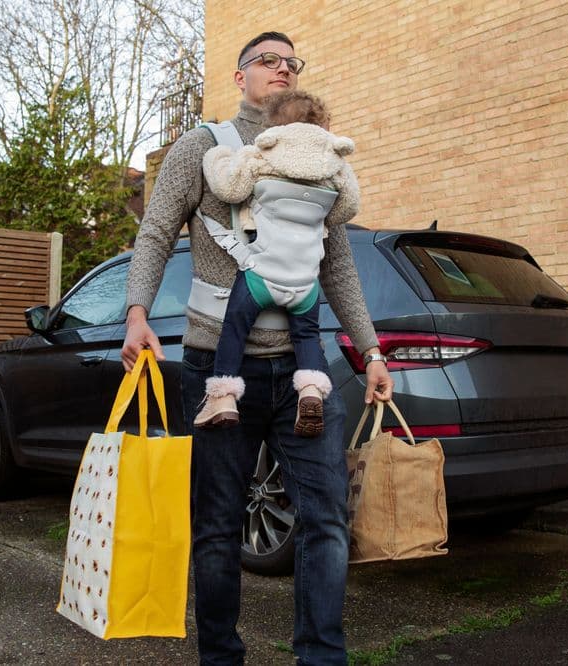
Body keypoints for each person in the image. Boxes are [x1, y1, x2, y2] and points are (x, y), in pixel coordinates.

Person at [121, 31, 393, 666]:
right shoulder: (203, 148)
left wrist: (372, 351)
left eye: (292, 62)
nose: (283, 68)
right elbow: (158, 230)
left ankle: (321, 657)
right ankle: (220, 658)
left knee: (325, 521)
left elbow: (340, 268)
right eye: (269, 60)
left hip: (302, 373)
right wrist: (137, 311)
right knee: (217, 527)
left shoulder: (321, 157)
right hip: (217, 364)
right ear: (240, 76)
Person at [193, 89, 361, 439]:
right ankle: (311, 390)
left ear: (274, 124)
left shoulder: (263, 153)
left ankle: (222, 396)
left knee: (234, 331)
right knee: (307, 337)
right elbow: (345, 210)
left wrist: (219, 156)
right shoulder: (336, 167)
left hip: (261, 276)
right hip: (305, 284)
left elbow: (229, 189)